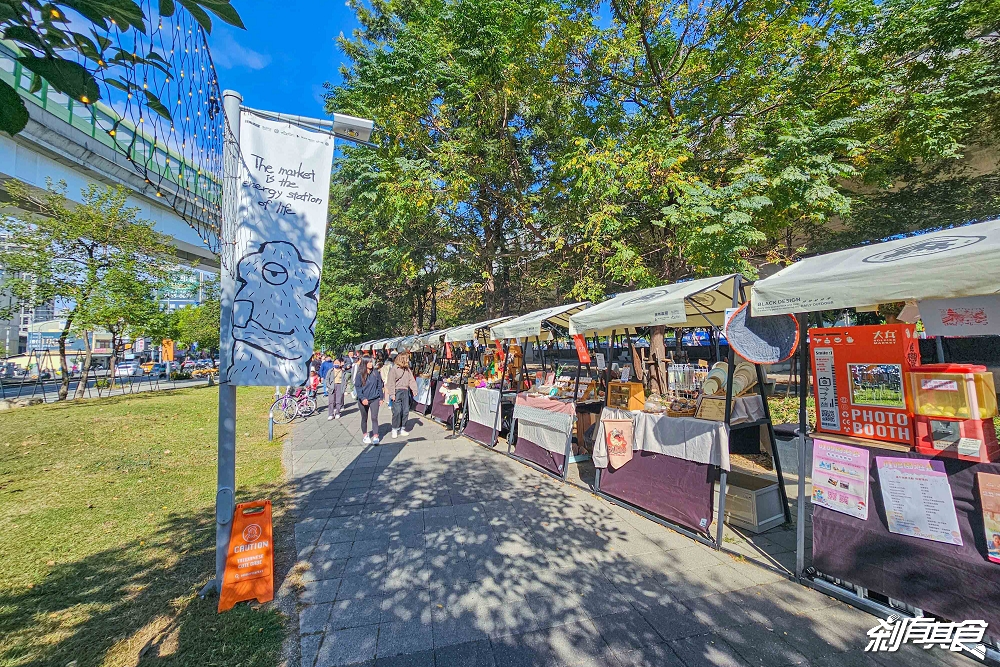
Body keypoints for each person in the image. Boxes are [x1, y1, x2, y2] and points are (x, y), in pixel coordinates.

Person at [386, 351, 418, 438]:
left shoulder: (407, 370)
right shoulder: (394, 369)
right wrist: (392, 394)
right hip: (397, 391)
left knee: (405, 410)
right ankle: (395, 429)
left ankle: (402, 428)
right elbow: (391, 382)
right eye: (407, 358)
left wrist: (414, 389)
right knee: (397, 411)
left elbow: (411, 380)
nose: (408, 360)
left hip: (405, 391)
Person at [355, 355, 384, 444]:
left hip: (374, 398)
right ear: (365, 363)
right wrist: (362, 398)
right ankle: (365, 435)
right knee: (364, 417)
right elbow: (358, 387)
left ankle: (375, 436)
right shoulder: (359, 374)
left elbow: (379, 385)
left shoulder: (375, 373)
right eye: (369, 362)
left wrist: (381, 398)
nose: (371, 364)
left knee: (374, 417)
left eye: (372, 362)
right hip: (363, 400)